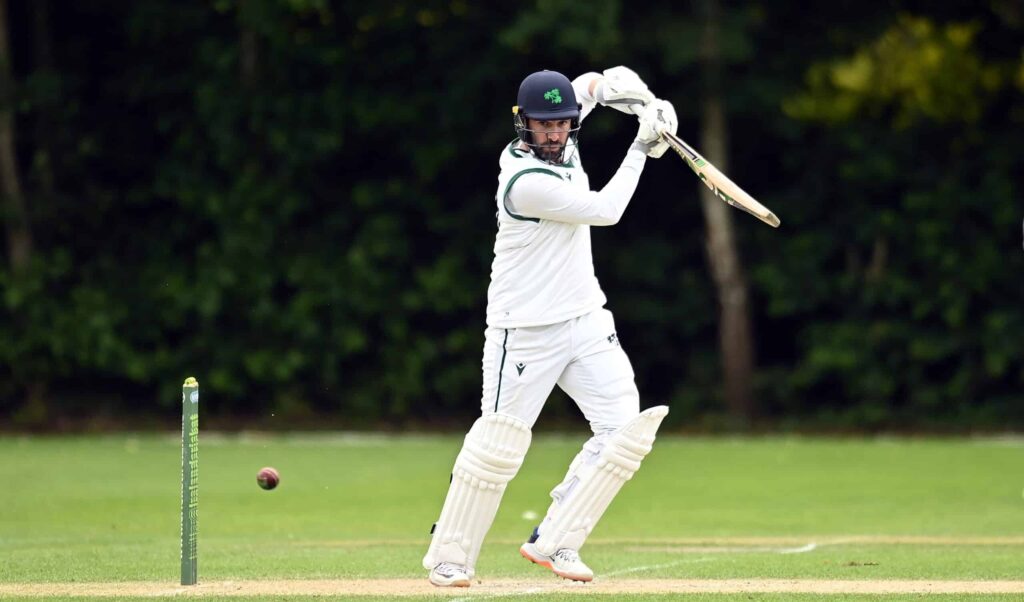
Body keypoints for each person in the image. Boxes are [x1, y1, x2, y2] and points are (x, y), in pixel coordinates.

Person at [422, 67, 678, 587]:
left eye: (562, 124)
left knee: (624, 431)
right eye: (544, 125)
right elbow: (606, 211)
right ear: (523, 123)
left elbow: (592, 84)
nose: (555, 133)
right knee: (498, 445)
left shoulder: (565, 135)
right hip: (524, 329)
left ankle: (557, 540)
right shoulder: (525, 182)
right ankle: (450, 557)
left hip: (584, 318)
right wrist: (640, 147)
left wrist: (642, 101)